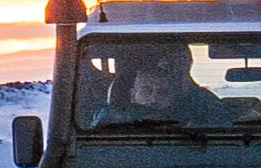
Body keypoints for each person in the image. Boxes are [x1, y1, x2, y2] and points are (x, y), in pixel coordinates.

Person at [87, 38, 229, 126]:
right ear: (132, 94)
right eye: (147, 91)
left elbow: (226, 122)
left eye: (163, 92)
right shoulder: (112, 117)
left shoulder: (199, 105)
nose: (154, 97)